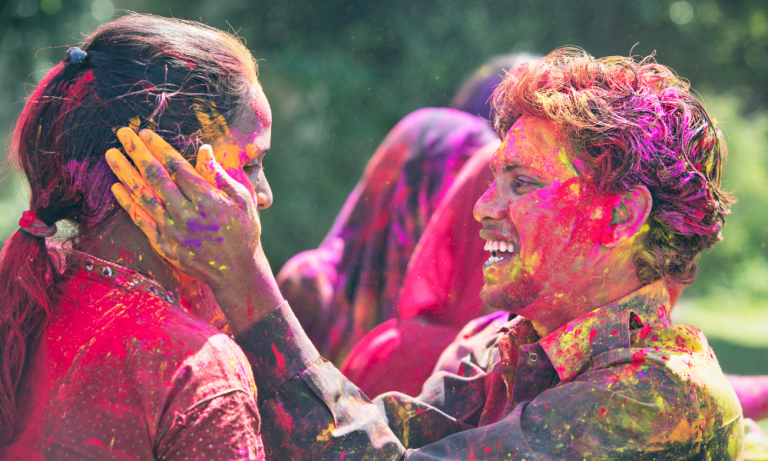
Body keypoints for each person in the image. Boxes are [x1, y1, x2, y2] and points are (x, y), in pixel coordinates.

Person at [118, 47, 744, 459]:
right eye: (495, 179)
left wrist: (245, 281)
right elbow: (366, 438)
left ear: (623, 216)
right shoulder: (495, 344)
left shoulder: (660, 396)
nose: (483, 208)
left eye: (522, 183)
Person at [0, 14, 275, 459]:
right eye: (251, 164)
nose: (263, 195)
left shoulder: (28, 299)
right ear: (166, 168)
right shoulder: (196, 370)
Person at [276, 108, 497, 364]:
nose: (474, 209)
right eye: (460, 189)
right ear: (411, 188)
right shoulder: (310, 287)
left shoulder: (459, 317)